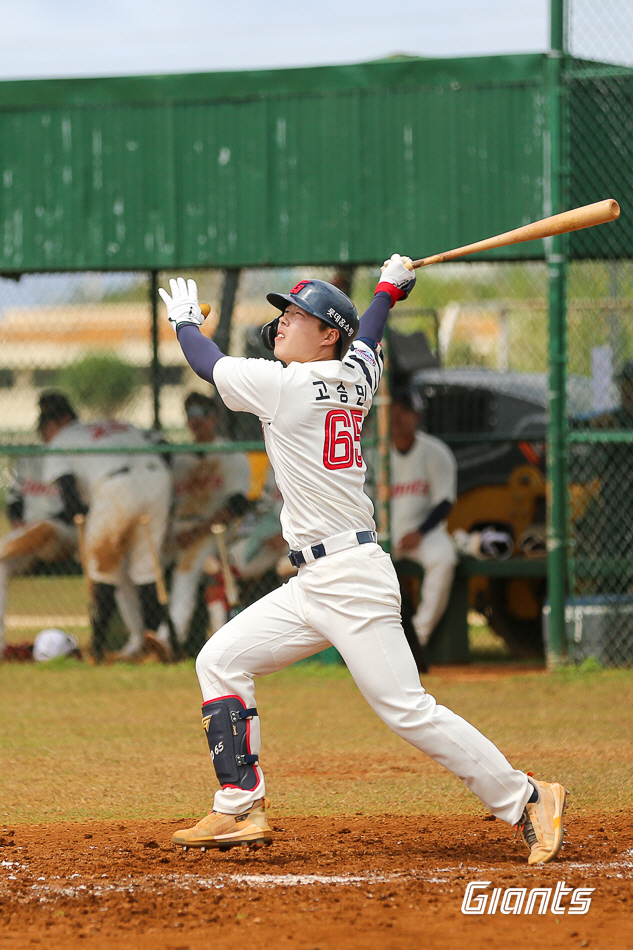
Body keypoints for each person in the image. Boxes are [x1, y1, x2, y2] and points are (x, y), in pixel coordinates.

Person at [158, 263, 567, 866]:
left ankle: (528, 795)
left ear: (327, 334)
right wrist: (386, 292)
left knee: (406, 709)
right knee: (220, 659)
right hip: (315, 580)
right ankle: (240, 801)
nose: (280, 324)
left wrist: (185, 322)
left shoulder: (285, 386)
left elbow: (204, 361)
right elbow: (368, 337)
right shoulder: (355, 374)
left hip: (349, 576)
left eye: (294, 316)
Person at [39, 391, 173, 663]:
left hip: (115, 488)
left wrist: (90, 519)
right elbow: (167, 448)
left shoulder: (62, 439)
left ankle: (97, 649)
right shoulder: (114, 424)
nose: (45, 433)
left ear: (60, 421)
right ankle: (158, 641)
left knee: (102, 571)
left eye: (46, 426)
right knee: (146, 570)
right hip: (159, 479)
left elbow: (70, 497)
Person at [150, 391, 250, 657]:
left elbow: (236, 505)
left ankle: (168, 640)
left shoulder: (229, 453)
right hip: (178, 528)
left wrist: (195, 532)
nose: (195, 421)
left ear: (214, 417)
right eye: (190, 415)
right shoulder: (180, 457)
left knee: (186, 570)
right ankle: (139, 637)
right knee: (142, 563)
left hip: (213, 531)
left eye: (201, 414)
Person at [390, 388, 458, 660]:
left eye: (405, 411)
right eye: (394, 410)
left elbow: (445, 502)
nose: (398, 416)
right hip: (385, 533)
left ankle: (417, 639)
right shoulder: (373, 451)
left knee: (444, 558)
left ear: (417, 416)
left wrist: (419, 533)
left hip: (424, 532)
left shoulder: (435, 451)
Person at [0, 451, 77, 658]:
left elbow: (77, 508)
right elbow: (14, 501)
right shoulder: (27, 461)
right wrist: (19, 523)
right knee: (1, 567)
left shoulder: (74, 458)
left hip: (66, 535)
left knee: (45, 526)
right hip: (29, 540)